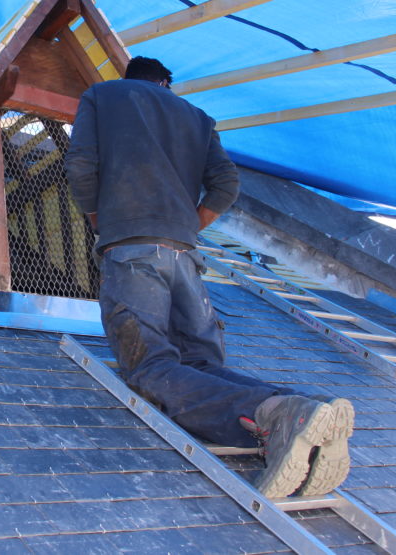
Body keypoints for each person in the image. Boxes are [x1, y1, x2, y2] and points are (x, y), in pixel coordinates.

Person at [65, 56, 353, 498]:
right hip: (185, 257)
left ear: (130, 78)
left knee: (150, 366)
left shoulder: (102, 95)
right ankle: (308, 410)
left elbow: (82, 163)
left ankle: (274, 413)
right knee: (200, 364)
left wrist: (101, 220)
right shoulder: (198, 118)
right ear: (166, 83)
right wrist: (188, 225)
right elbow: (226, 184)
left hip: (132, 246)